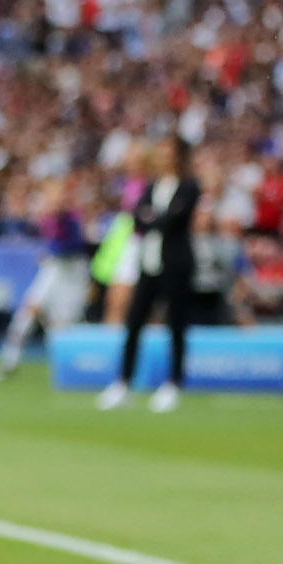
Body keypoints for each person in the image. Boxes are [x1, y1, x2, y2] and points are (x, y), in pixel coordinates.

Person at [97, 139, 198, 413]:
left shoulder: (189, 186)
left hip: (175, 264)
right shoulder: (153, 186)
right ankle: (123, 382)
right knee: (134, 322)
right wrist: (155, 219)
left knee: (175, 325)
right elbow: (138, 218)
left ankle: (173, 383)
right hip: (149, 262)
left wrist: (153, 218)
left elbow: (172, 220)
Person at [0, 177, 92, 381]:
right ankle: (9, 362)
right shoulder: (46, 217)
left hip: (71, 272)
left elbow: (73, 245)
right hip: (53, 269)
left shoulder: (71, 217)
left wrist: (52, 248)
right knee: (26, 313)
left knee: (62, 326)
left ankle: (67, 370)